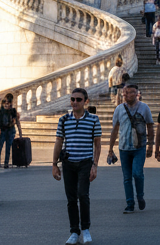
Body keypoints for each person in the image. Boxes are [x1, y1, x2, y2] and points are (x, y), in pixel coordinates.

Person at [52, 87, 102, 245]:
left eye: (78, 99)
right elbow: (59, 141)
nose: (74, 102)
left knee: (83, 195)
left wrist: (95, 165)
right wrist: (54, 164)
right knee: (71, 198)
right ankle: (74, 231)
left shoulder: (93, 119)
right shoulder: (64, 119)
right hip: (68, 163)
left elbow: (97, 144)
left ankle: (85, 229)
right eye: (72, 99)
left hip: (85, 162)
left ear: (86, 101)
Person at [108, 83, 153, 213]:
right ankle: (130, 203)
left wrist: (150, 145)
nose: (127, 94)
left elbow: (150, 125)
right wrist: (110, 149)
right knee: (127, 177)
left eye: (130, 92)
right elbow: (115, 129)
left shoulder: (144, 108)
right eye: (125, 92)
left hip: (139, 147)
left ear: (137, 93)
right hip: (124, 148)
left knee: (137, 173)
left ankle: (140, 196)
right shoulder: (119, 109)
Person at [0, 94, 20, 169]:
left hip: (7, 130)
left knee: (5, 148)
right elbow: (17, 122)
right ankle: (1, 163)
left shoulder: (9, 110)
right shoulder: (3, 110)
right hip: (6, 130)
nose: (7, 104)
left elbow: (16, 121)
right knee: (3, 147)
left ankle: (2, 163)